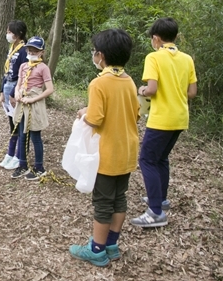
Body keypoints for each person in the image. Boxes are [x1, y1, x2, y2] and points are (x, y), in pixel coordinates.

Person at [68, 29, 139, 267]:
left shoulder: (99, 83)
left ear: (101, 55)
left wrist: (83, 113)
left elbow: (95, 118)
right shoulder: (129, 81)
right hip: (128, 150)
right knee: (119, 199)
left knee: (103, 202)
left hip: (107, 153)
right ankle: (111, 244)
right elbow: (136, 114)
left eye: (94, 52)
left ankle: (96, 250)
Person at [131, 17, 197, 228]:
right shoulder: (187, 59)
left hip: (162, 118)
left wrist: (141, 90)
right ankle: (161, 199)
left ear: (156, 39)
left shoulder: (154, 57)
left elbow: (151, 89)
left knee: (147, 160)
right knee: (161, 159)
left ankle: (155, 213)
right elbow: (192, 92)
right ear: (175, 37)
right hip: (180, 117)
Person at [11, 37, 54, 180]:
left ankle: (39, 167)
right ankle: (22, 165)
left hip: (34, 102)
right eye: (29, 50)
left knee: (35, 136)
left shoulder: (43, 68)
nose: (31, 52)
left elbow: (49, 89)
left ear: (41, 52)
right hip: (22, 102)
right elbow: (19, 83)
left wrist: (33, 99)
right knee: (22, 135)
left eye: (35, 50)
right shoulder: (23, 66)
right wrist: (17, 93)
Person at [0, 20, 28, 170]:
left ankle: (19, 155)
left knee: (19, 123)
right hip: (8, 84)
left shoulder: (24, 51)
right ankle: (10, 154)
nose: (7, 34)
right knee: (12, 123)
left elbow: (23, 75)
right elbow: (6, 71)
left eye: (10, 32)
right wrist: (2, 91)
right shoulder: (11, 48)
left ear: (18, 34)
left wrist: (13, 93)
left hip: (17, 88)